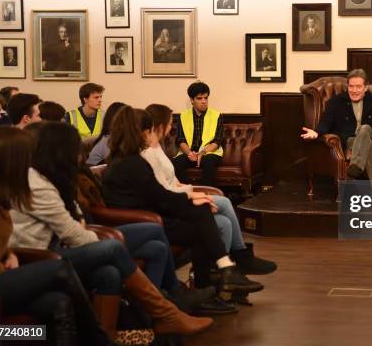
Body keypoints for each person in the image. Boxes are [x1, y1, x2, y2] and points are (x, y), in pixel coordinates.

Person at [9, 121, 214, 338]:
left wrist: (83, 228)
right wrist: (89, 232)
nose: (80, 156)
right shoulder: (37, 184)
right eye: (75, 150)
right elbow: (74, 234)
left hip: (61, 246)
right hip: (42, 256)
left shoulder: (53, 177)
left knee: (125, 264)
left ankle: (126, 327)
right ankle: (165, 312)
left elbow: (76, 218)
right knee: (113, 248)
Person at [0, 127, 117, 345]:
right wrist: (6, 260)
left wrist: (9, 253)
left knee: (58, 302)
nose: (31, 167)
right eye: (27, 160)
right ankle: (100, 340)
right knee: (60, 267)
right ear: (11, 164)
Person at [102, 106, 264, 291]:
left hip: (150, 215)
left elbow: (159, 195)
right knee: (203, 215)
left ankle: (219, 277)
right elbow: (160, 197)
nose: (151, 136)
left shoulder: (125, 159)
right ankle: (221, 274)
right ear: (142, 132)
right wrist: (190, 199)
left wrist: (190, 198)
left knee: (203, 214)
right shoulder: (133, 163)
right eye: (149, 131)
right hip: (146, 220)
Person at [145, 103, 277, 275]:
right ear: (160, 126)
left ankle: (224, 272)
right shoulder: (147, 154)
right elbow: (163, 191)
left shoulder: (157, 148)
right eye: (170, 123)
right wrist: (192, 194)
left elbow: (173, 180)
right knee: (223, 203)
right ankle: (236, 259)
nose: (171, 127)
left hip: (179, 194)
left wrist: (190, 189)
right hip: (172, 205)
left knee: (225, 222)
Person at [301, 69, 372, 181]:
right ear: (348, 86)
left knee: (365, 129)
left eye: (358, 86)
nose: (354, 90)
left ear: (365, 87)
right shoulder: (337, 101)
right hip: (350, 140)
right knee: (369, 145)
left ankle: (356, 166)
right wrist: (316, 132)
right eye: (351, 86)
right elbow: (326, 121)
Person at [172, 82, 224, 187]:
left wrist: (202, 153)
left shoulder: (217, 115)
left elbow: (217, 141)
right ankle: (190, 192)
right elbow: (181, 140)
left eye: (206, 98)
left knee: (208, 162)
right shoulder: (183, 116)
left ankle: (207, 194)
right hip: (190, 152)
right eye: (199, 98)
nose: (204, 101)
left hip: (209, 152)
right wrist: (189, 153)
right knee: (175, 163)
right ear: (192, 100)